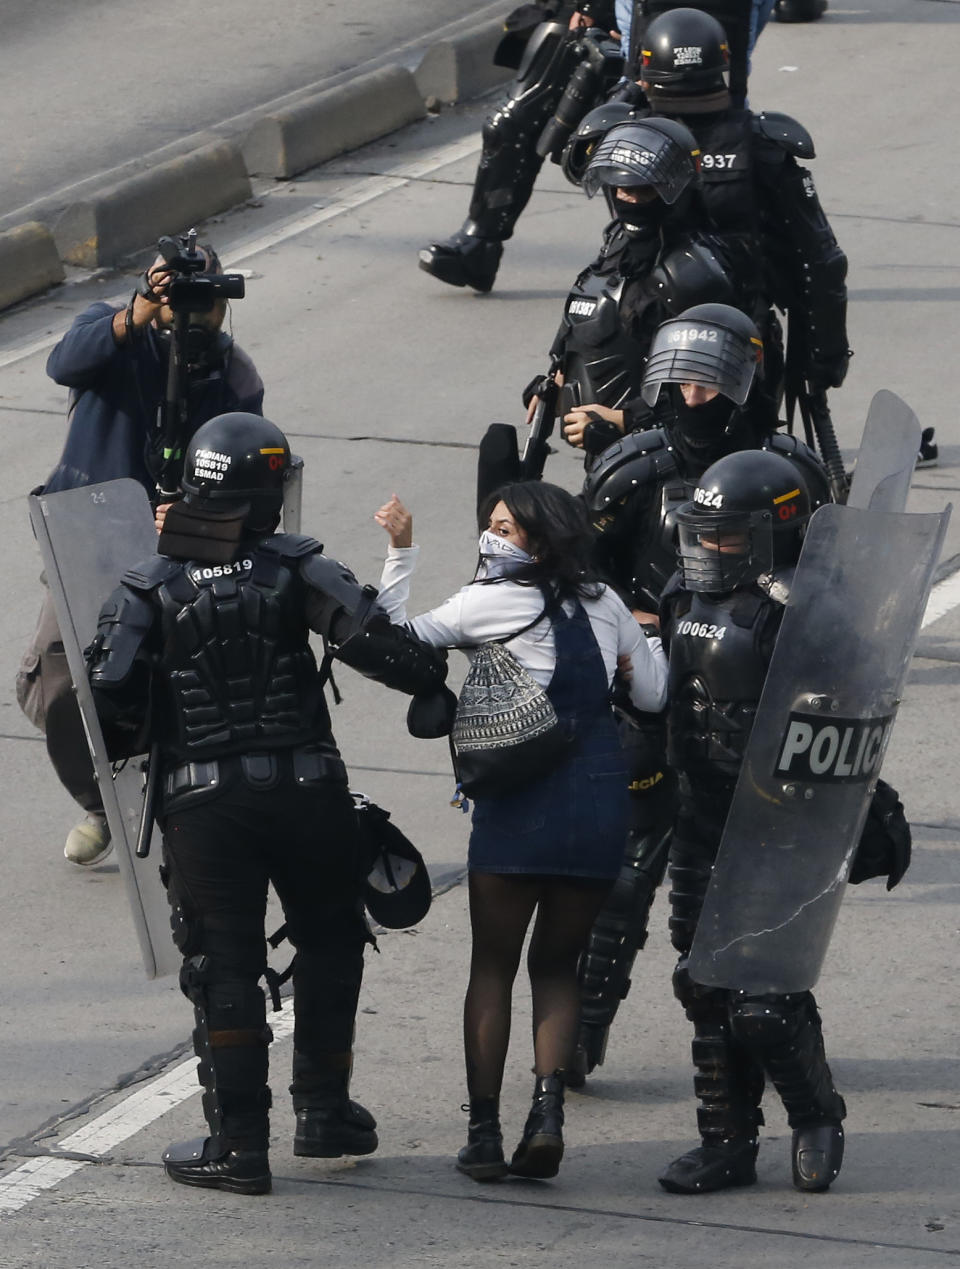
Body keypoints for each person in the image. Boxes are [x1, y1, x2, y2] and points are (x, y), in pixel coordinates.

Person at [85, 412, 449, 1195]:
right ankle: (323, 1110)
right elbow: (393, 654)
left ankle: (239, 1146)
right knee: (330, 942)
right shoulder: (299, 568)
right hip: (307, 788)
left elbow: (105, 698)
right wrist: (431, 677)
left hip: (205, 803)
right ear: (270, 494)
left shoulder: (149, 586)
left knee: (226, 968)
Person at [373, 482, 667, 1180]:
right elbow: (653, 694)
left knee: (493, 968)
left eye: (505, 527)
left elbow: (389, 641)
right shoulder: (607, 602)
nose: (492, 536)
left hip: (518, 806)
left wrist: (401, 552)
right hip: (599, 803)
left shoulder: (487, 601)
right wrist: (642, 649)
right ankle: (548, 1111)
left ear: (538, 537)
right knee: (558, 967)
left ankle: (483, 1133)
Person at [569, 303, 827, 1081]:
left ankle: (774, 1060)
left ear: (743, 385)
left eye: (709, 384)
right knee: (620, 883)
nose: (692, 398)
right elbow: (580, 579)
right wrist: (636, 624)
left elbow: (829, 594)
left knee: (738, 908)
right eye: (679, 381)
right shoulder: (630, 469)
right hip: (644, 691)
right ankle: (578, 1034)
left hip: (747, 699)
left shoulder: (790, 472)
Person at [17, 242, 263, 867]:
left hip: (181, 552)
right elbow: (63, 363)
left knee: (173, 682)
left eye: (205, 304)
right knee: (51, 684)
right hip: (85, 538)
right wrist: (137, 314)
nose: (192, 317)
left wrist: (198, 514)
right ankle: (102, 800)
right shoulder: (110, 333)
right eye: (179, 300)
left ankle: (175, 799)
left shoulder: (234, 376)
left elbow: (249, 481)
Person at [657, 447, 846, 1194]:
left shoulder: (805, 612)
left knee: (765, 1000)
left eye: (730, 536)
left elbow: (850, 718)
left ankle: (817, 1114)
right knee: (703, 986)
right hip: (699, 819)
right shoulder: (679, 596)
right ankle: (727, 1142)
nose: (712, 548)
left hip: (778, 828)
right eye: (705, 533)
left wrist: (873, 810)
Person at [560, 7, 849, 454]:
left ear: (647, 72)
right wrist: (822, 358)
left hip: (666, 345)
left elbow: (574, 165)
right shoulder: (762, 145)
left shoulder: (628, 135)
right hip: (727, 338)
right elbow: (820, 262)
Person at [419, 2, 623, 294]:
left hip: (644, 15)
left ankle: (637, 254)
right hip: (580, 13)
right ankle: (478, 245)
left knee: (616, 135)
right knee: (508, 125)